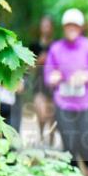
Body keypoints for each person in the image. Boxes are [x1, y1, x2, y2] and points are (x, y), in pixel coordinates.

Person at [44, 8, 88, 176]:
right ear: (64, 28)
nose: (71, 29)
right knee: (69, 142)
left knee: (85, 141)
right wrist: (53, 77)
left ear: (80, 28)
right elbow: (47, 76)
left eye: (75, 25)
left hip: (86, 103)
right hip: (63, 103)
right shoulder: (56, 49)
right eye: (68, 26)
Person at [31, 14, 57, 146]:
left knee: (52, 117)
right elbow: (27, 68)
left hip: (54, 86)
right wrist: (38, 62)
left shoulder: (57, 46)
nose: (46, 28)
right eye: (44, 25)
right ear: (40, 28)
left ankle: (51, 144)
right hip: (38, 84)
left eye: (48, 26)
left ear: (52, 28)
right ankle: (42, 138)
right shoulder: (34, 46)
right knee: (41, 114)